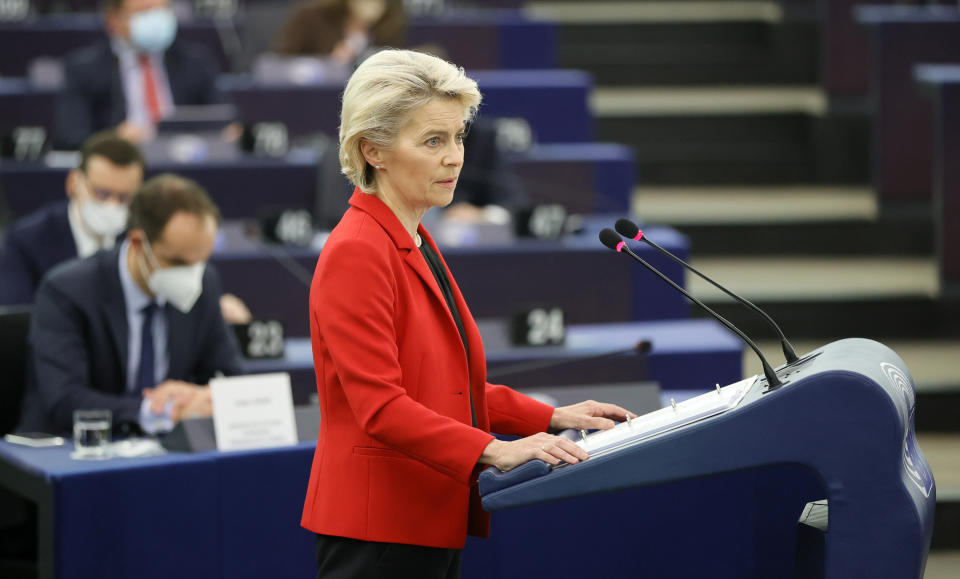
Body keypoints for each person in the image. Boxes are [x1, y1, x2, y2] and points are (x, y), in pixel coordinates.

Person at [301, 49, 634, 578]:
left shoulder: (411, 234)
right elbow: (381, 407)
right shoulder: (358, 250)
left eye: (458, 138)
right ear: (373, 150)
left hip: (421, 513)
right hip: (379, 527)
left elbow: (443, 387)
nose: (455, 157)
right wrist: (492, 451)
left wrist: (551, 416)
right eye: (433, 141)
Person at [16, 174, 244, 436]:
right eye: (178, 263)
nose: (192, 274)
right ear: (138, 243)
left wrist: (201, 396)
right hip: (76, 449)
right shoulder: (67, 290)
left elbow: (231, 376)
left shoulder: (205, 283)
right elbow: (65, 398)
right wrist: (156, 409)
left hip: (168, 451)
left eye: (200, 261)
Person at [53, 0, 221, 150]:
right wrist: (114, 139)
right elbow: (69, 136)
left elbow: (222, 121)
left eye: (162, 10)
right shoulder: (84, 69)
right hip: (122, 164)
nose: (156, 20)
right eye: (144, 11)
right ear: (113, 20)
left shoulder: (196, 62)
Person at [0, 131, 143, 306]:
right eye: (101, 193)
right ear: (74, 183)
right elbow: (15, 321)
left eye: (124, 198)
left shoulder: (142, 241)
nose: (112, 205)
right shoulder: (26, 242)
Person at [274, 0, 405, 65]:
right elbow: (281, 63)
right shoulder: (310, 16)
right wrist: (329, 63)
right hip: (311, 97)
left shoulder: (389, 22)